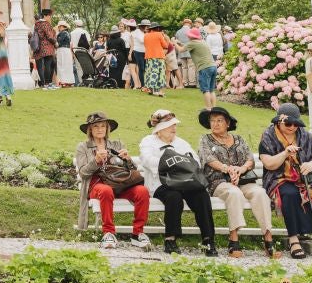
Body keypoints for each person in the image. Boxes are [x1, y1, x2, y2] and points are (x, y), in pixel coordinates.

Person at [258, 103, 312, 260]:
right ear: (279, 121)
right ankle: (294, 240)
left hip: (304, 177)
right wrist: (285, 153)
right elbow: (269, 164)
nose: (292, 127)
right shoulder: (268, 136)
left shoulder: (305, 135)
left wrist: (311, 164)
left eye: (296, 124)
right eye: (288, 124)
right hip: (278, 178)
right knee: (290, 194)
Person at [198, 106, 275, 258]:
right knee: (234, 193)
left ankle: (268, 238)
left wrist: (241, 169)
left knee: (260, 193)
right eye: (212, 121)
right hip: (219, 181)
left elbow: (250, 159)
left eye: (219, 120)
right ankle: (233, 238)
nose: (215, 124)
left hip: (243, 179)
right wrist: (227, 169)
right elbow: (208, 159)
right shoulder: (205, 139)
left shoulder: (239, 139)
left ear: (227, 123)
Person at [139, 109, 216, 256]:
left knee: (201, 195)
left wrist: (173, 164)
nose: (174, 128)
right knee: (174, 197)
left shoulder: (181, 142)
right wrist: (175, 164)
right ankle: (170, 239)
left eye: (174, 125)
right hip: (160, 184)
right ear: (159, 129)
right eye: (169, 126)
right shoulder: (148, 141)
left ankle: (208, 240)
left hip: (185, 182)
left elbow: (195, 161)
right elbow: (147, 160)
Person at [75, 112, 152, 250]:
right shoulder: (83, 147)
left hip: (121, 184)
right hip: (98, 185)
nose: (100, 129)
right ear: (90, 130)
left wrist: (128, 159)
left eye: (103, 126)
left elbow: (131, 170)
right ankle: (108, 233)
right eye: (96, 126)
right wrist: (96, 161)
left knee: (142, 191)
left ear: (107, 128)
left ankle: (137, 233)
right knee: (106, 191)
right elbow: (83, 173)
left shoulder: (117, 144)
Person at [184, 28, 217, 107]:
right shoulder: (202, 41)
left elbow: (180, 50)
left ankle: (208, 108)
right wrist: (179, 43)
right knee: (211, 90)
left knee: (205, 90)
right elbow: (186, 46)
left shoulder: (192, 43)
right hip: (213, 66)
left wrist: (174, 42)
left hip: (204, 68)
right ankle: (214, 108)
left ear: (191, 36)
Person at [141, 23, 171, 97]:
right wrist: (167, 40)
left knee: (150, 72)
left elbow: (145, 45)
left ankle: (151, 89)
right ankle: (160, 91)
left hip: (149, 56)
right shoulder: (159, 34)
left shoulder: (146, 35)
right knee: (160, 73)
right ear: (157, 28)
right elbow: (165, 45)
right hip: (159, 56)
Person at [32, 10, 57, 89]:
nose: (50, 18)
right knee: (49, 64)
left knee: (40, 66)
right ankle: (48, 83)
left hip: (38, 47)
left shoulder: (37, 24)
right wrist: (55, 42)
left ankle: (43, 84)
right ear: (46, 16)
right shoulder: (46, 24)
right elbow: (50, 36)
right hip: (47, 47)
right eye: (50, 16)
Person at [106, 22, 129, 88]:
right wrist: (126, 58)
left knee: (112, 71)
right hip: (120, 57)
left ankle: (112, 84)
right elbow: (124, 49)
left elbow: (107, 49)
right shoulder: (121, 40)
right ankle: (120, 85)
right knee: (120, 71)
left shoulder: (109, 41)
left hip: (112, 57)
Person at [54, 21, 75, 88]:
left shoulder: (62, 33)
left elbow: (58, 43)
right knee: (67, 66)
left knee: (61, 65)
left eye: (59, 27)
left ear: (61, 26)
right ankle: (69, 81)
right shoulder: (68, 33)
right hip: (67, 50)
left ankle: (63, 81)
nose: (58, 28)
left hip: (62, 50)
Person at [128, 20, 146, 90]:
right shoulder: (139, 32)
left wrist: (130, 53)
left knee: (133, 70)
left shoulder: (132, 34)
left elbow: (132, 45)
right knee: (138, 69)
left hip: (133, 51)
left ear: (129, 27)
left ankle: (136, 85)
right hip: (138, 51)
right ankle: (139, 84)